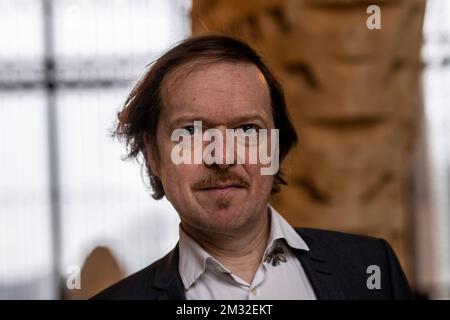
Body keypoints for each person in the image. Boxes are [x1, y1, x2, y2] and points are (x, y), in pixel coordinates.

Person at [92, 35, 412, 300]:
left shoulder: (372, 270)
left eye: (247, 130)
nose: (222, 158)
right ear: (153, 154)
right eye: (190, 131)